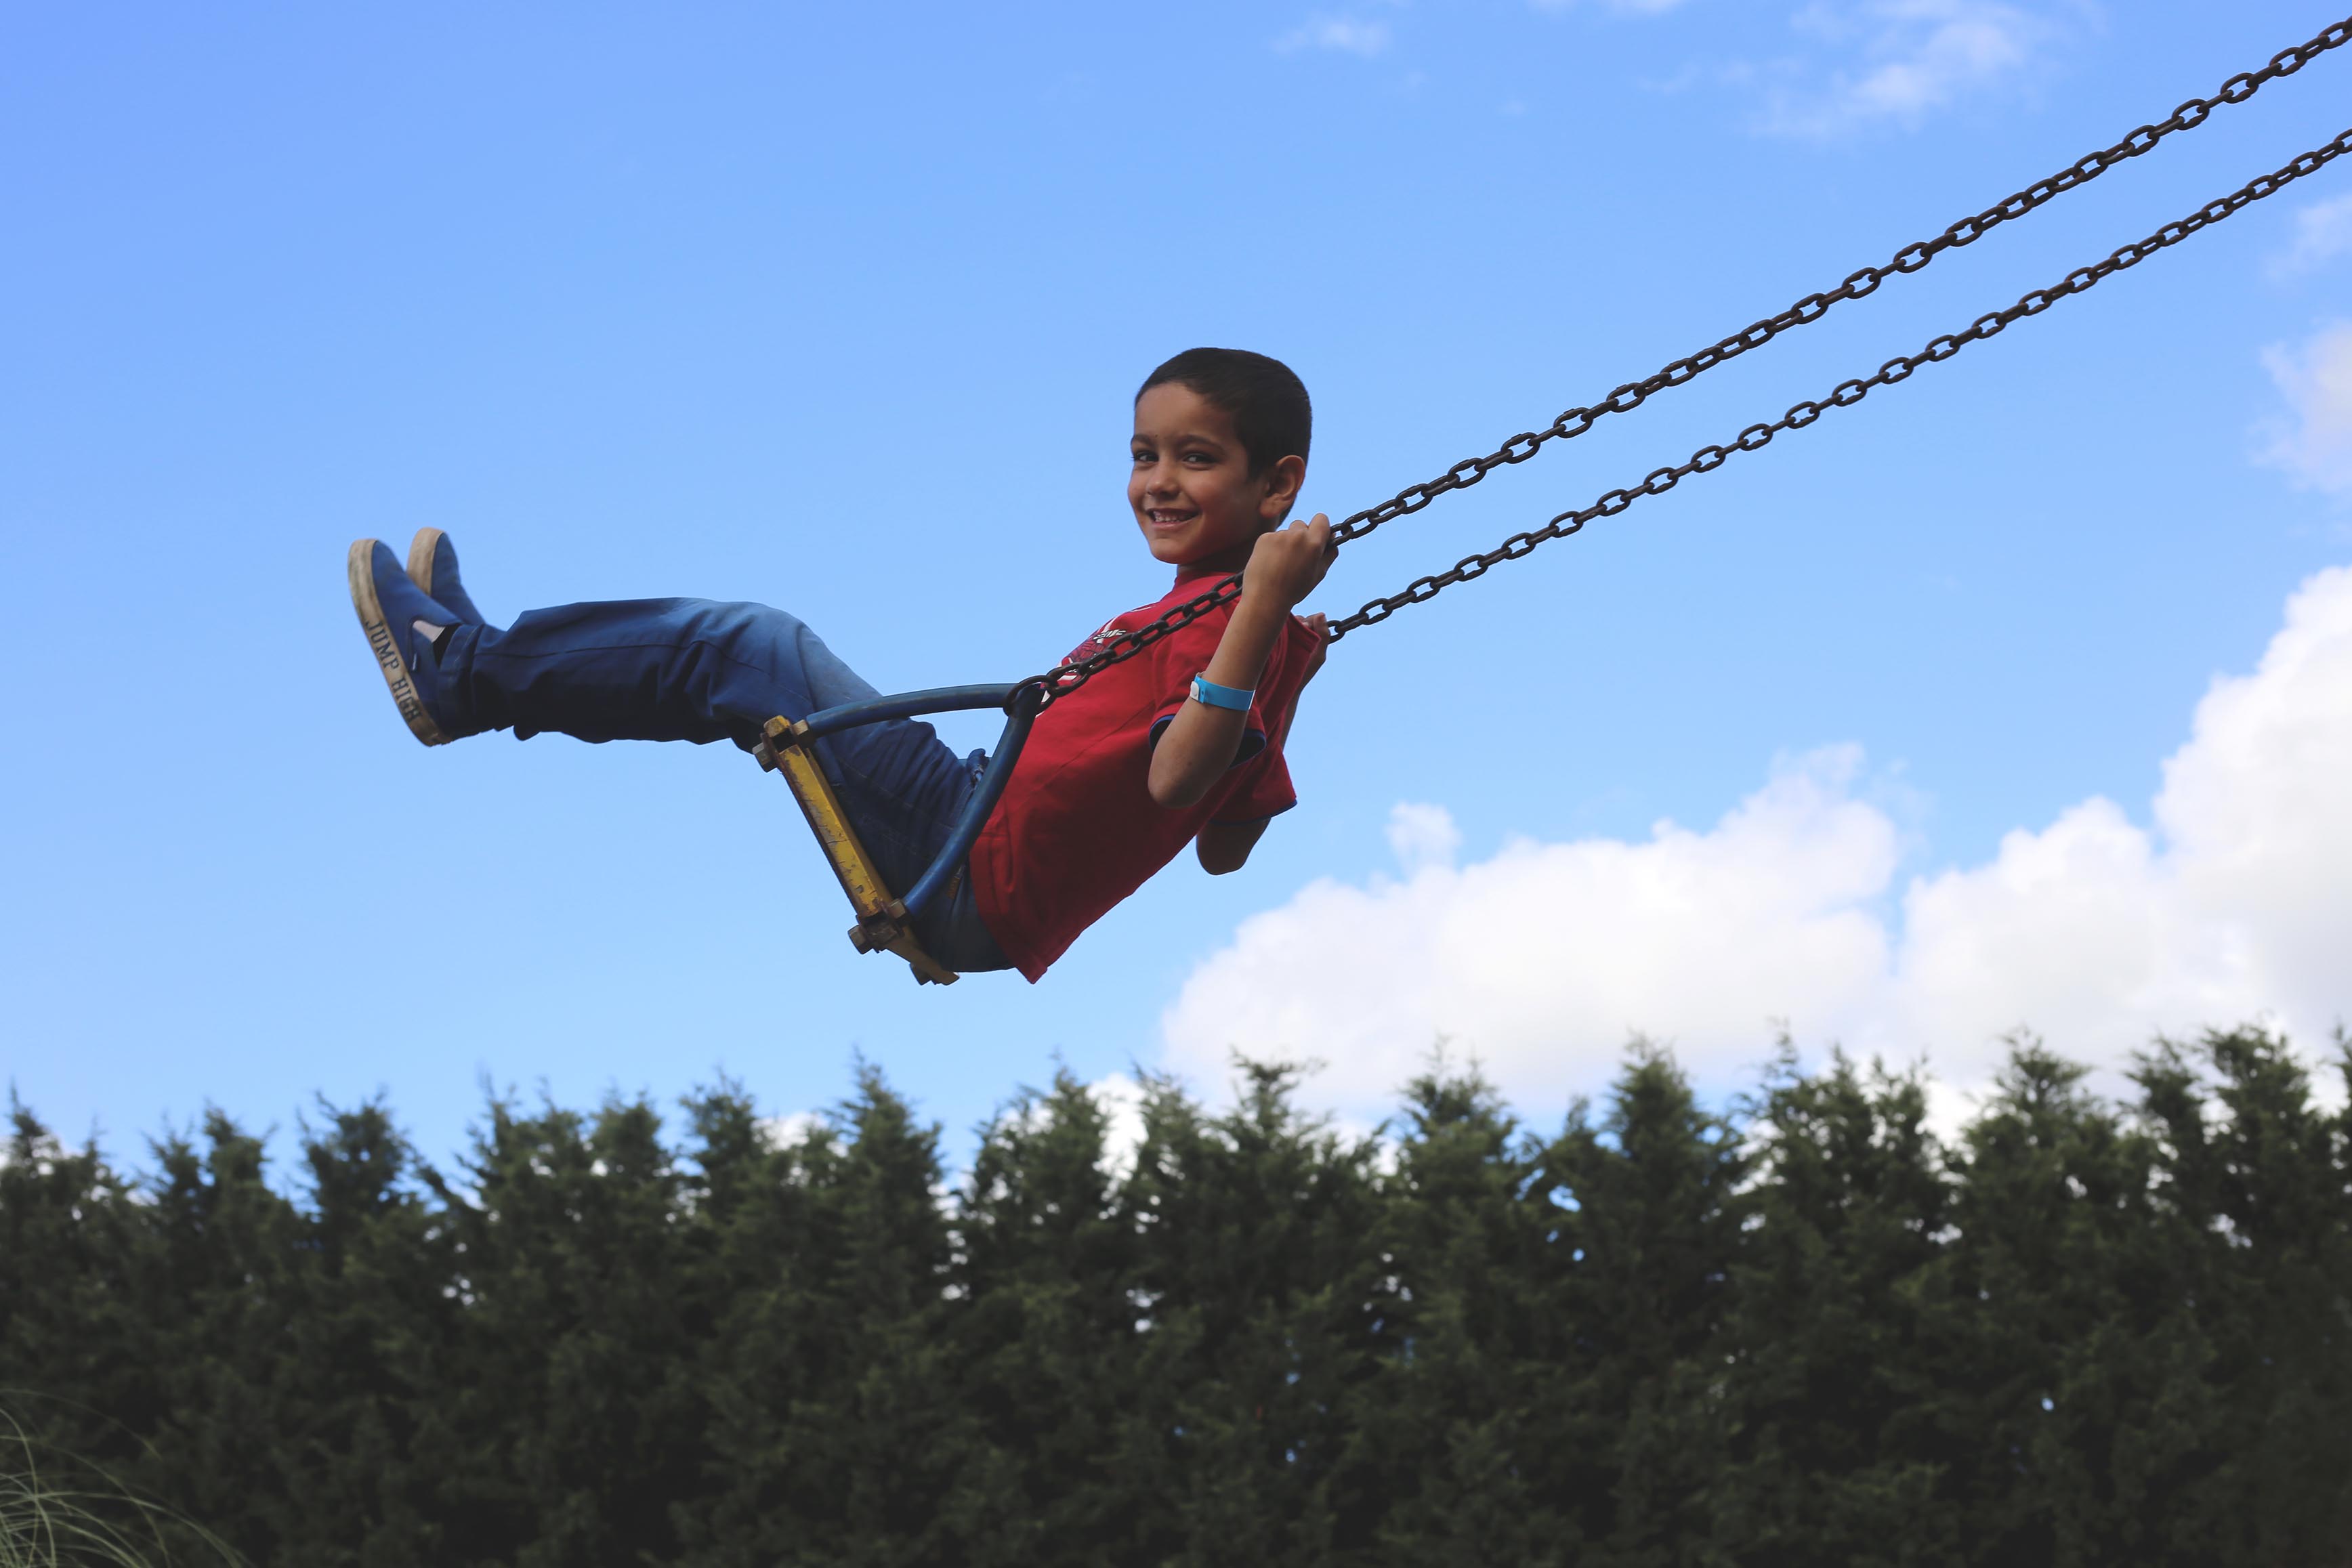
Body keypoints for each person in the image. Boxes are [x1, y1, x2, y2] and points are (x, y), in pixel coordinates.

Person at [348, 347, 1334, 981]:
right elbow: (1223, 844)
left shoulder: (1232, 617)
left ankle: (466, 675)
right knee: (744, 664)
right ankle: (489, 664)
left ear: (1276, 484)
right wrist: (1281, 671)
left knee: (746, 647)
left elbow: (1177, 784)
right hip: (973, 818)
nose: (1159, 482)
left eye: (1196, 458)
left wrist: (1259, 623)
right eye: (1144, 454)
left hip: (969, 863)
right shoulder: (1242, 632)